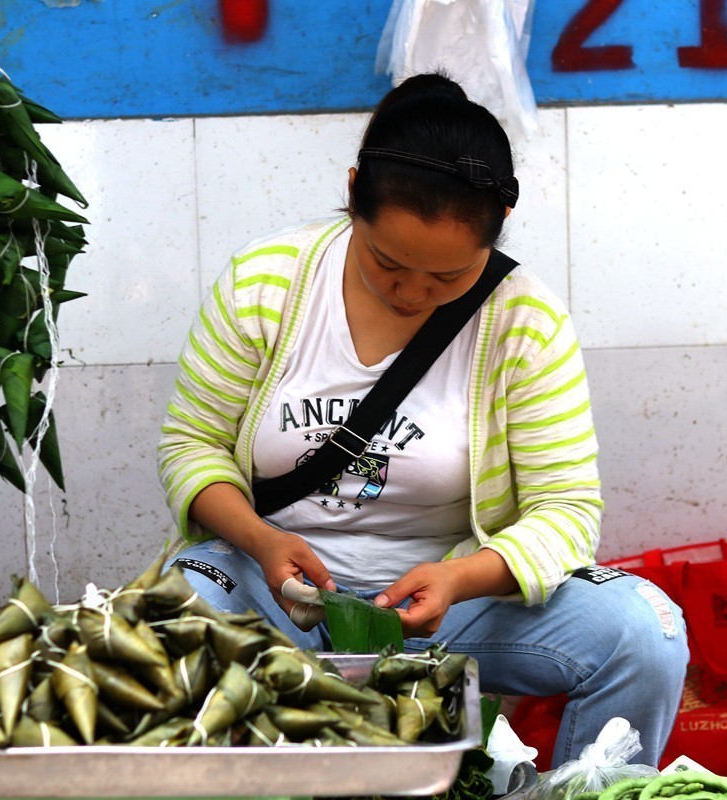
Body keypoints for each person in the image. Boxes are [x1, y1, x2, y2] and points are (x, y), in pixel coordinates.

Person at [156, 72, 688, 768]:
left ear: (494, 238)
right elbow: (192, 445)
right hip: (273, 587)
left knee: (646, 632)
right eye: (387, 263)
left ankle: (597, 788)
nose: (412, 293)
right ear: (353, 195)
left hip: (448, 606)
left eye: (448, 280)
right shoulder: (268, 281)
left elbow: (567, 511)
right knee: (170, 613)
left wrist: (461, 580)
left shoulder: (526, 320)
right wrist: (258, 539)